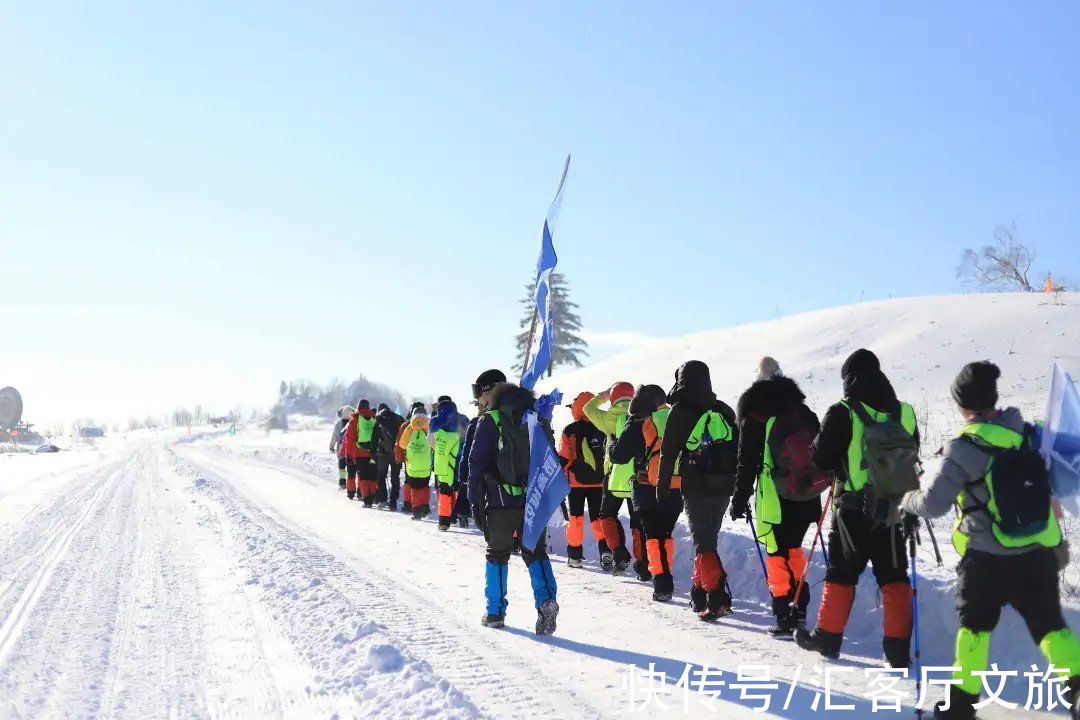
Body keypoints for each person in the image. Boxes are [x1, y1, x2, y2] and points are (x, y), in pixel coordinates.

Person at [900, 362, 1080, 719]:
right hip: (1038, 552)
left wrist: (907, 501)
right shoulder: (1030, 434)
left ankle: (961, 706)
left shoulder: (963, 448)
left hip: (986, 557)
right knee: (1050, 627)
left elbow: (934, 505)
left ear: (962, 405)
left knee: (975, 630)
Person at [795, 349, 918, 668]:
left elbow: (820, 459)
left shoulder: (843, 412)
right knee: (894, 576)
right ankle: (898, 650)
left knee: (842, 573)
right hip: (893, 509)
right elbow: (912, 451)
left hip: (852, 509)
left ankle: (828, 638)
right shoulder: (905, 412)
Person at [730, 357, 827, 637]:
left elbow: (746, 462)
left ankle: (784, 613)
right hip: (806, 494)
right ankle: (800, 610)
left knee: (776, 553)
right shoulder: (802, 410)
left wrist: (739, 499)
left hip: (775, 498)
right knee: (794, 548)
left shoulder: (754, 413)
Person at [468, 377, 559, 635]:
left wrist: (474, 499)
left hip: (499, 502)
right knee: (536, 554)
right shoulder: (536, 418)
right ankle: (546, 601)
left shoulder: (490, 420)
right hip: (533, 500)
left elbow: (476, 464)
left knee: (497, 555)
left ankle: (495, 612)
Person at [657, 360, 739, 621]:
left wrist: (663, 485)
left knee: (703, 542)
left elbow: (668, 452)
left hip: (695, 486)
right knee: (707, 540)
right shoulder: (723, 410)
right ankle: (698, 591)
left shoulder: (680, 411)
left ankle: (716, 597)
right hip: (723, 486)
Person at [609, 384, 682, 601]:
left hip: (647, 487)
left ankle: (661, 582)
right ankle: (665, 576)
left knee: (653, 536)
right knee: (666, 535)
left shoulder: (638, 421)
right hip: (675, 486)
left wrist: (612, 442)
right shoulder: (677, 417)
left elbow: (619, 456)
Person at [583, 382, 647, 577]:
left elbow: (587, 408)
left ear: (613, 397)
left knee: (607, 515)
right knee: (639, 522)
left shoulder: (608, 419)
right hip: (639, 477)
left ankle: (619, 554)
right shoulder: (643, 416)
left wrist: (602, 396)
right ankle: (644, 567)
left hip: (613, 477)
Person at [557, 392, 609, 568]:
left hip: (576, 483)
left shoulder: (570, 430)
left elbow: (564, 458)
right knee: (598, 519)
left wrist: (559, 475)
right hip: (599, 482)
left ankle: (575, 556)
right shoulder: (603, 427)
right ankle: (606, 552)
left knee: (576, 518)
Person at [430, 395, 468, 531]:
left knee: (445, 490)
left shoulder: (436, 420)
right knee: (458, 488)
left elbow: (431, 441)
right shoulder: (463, 418)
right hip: (460, 458)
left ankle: (444, 522)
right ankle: (459, 515)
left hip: (444, 461)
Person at [398, 404, 433, 519]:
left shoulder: (409, 428)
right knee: (424, 486)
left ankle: (417, 511)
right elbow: (434, 444)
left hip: (412, 465)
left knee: (415, 488)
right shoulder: (429, 426)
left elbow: (402, 445)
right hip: (426, 465)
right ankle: (425, 507)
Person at [343, 399, 379, 504]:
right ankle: (373, 495)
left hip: (360, 453)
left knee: (363, 476)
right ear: (368, 407)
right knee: (372, 475)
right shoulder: (374, 418)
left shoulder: (354, 420)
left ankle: (367, 499)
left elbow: (349, 440)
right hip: (373, 453)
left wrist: (349, 454)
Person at [372, 403, 405, 510]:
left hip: (383, 454)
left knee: (381, 476)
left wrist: (373, 453)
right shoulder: (399, 418)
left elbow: (374, 439)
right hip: (396, 453)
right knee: (395, 478)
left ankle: (383, 499)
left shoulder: (379, 420)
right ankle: (393, 502)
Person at [330, 405, 352, 490]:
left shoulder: (339, 424)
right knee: (351, 467)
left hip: (341, 449)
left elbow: (334, 436)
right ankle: (352, 484)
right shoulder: (354, 422)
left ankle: (342, 483)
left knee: (342, 466)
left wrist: (331, 446)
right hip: (351, 449)